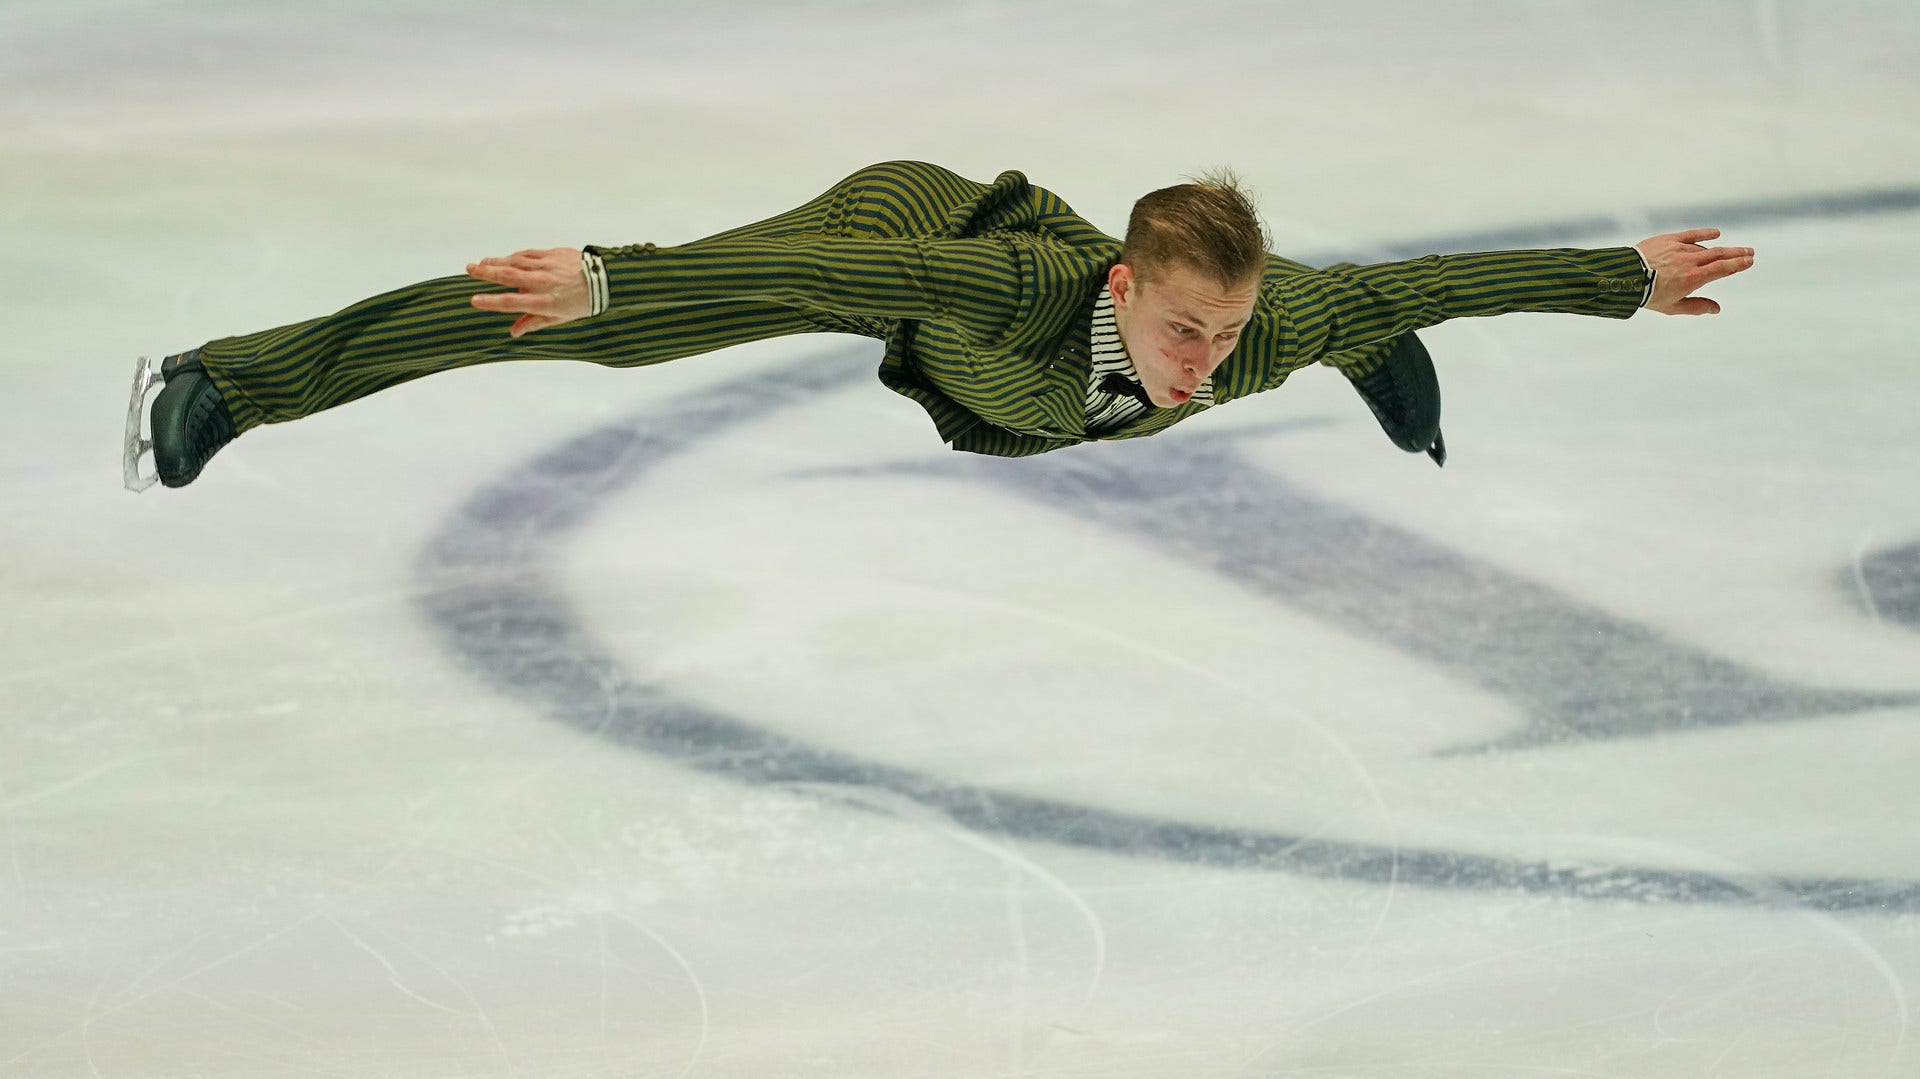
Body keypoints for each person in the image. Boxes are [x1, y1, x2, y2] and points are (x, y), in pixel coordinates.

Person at [123, 160, 1754, 490]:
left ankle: (1371, 372)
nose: (1210, 364)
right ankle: (234, 380)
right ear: (1127, 288)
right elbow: (792, 289)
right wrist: (617, 287)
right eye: (1192, 334)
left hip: (1046, 353)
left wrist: (1625, 275)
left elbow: (1438, 275)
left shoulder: (1261, 320)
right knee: (614, 327)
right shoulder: (1012, 294)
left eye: (1230, 335)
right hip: (908, 235)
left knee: (1365, 322)